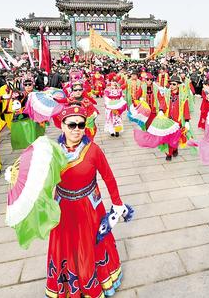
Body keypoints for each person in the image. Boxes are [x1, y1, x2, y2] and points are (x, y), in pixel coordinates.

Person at [46, 105, 130, 298]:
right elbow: (42, 179)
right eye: (72, 124)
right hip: (63, 208)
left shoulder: (93, 150)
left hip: (89, 209)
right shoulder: (52, 151)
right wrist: (18, 176)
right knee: (66, 248)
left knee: (90, 247)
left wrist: (117, 203)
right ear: (62, 126)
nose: (76, 129)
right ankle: (69, 286)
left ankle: (97, 282)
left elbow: (108, 177)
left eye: (81, 124)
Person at [165, 75, 191, 161]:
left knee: (175, 138)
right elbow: (163, 102)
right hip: (168, 119)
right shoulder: (167, 94)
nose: (171, 86)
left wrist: (187, 121)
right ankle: (168, 153)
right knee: (168, 137)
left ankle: (175, 148)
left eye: (174, 84)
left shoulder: (183, 96)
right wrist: (161, 110)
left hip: (178, 121)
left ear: (178, 85)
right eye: (170, 84)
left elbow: (186, 108)